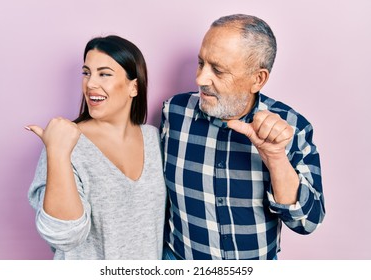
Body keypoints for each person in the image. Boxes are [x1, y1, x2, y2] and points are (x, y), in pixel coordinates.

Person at [160, 14, 325, 260]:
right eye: (201, 63)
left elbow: (307, 222)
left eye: (218, 70)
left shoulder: (292, 127)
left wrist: (275, 157)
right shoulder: (173, 113)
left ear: (257, 79)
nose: (200, 79)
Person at [26, 35, 166, 260]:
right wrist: (58, 153)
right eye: (86, 73)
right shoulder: (65, 144)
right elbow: (64, 236)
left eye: (104, 74)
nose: (90, 83)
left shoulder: (153, 139)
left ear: (134, 87)